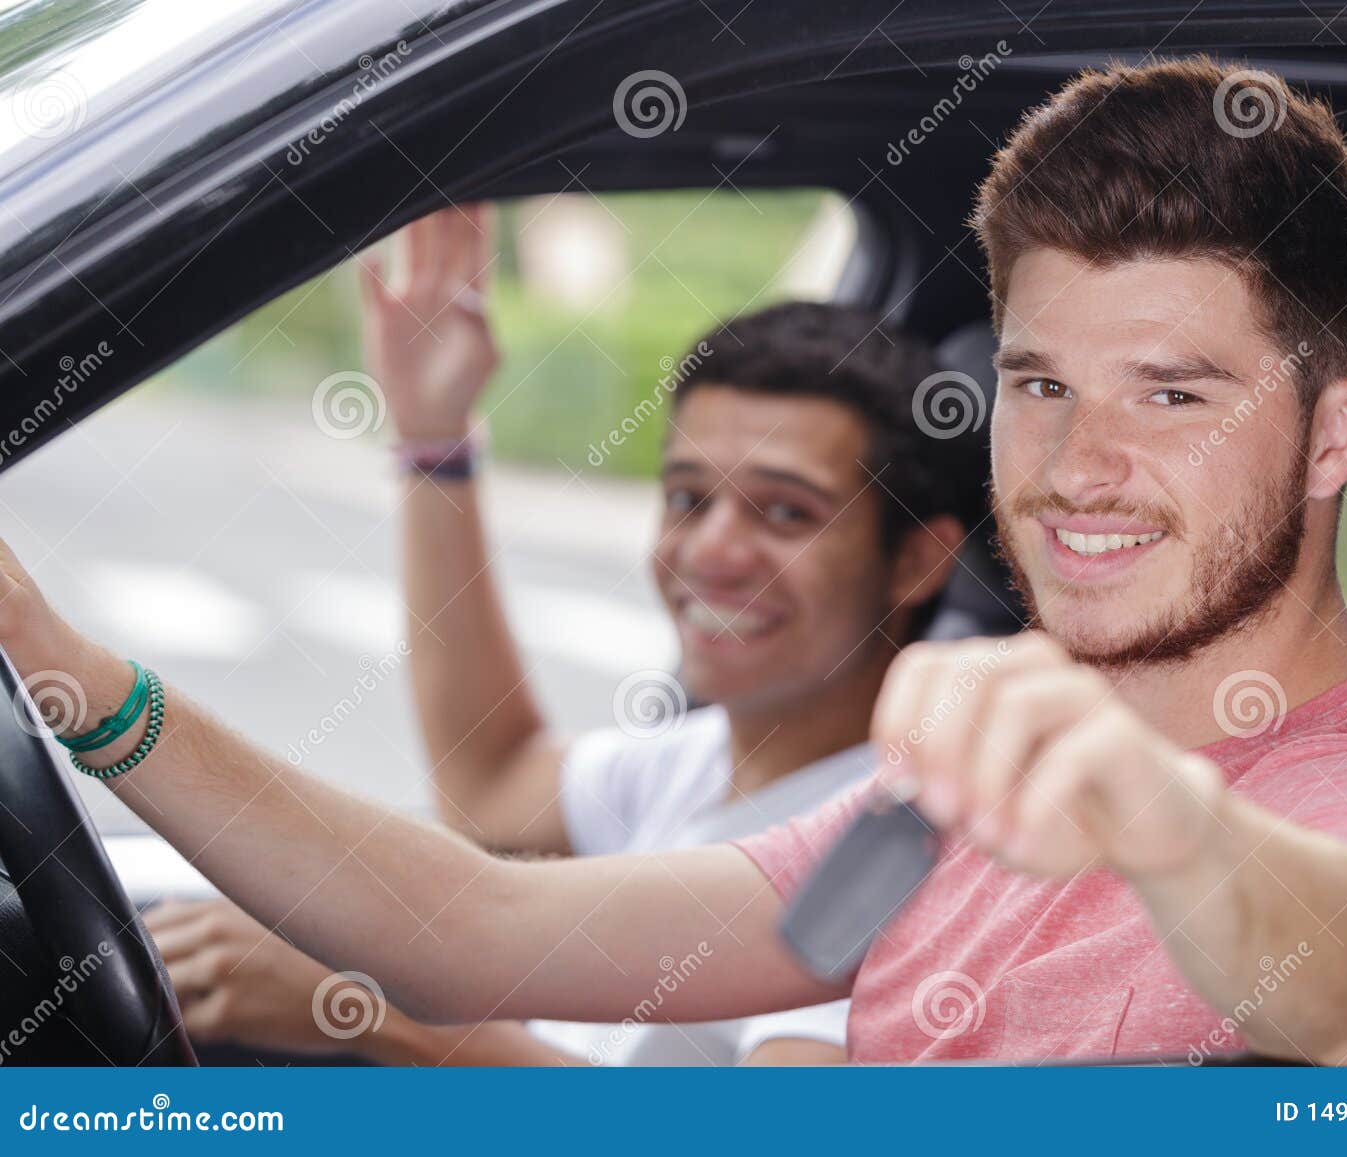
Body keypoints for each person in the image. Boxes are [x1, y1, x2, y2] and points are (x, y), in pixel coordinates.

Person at [0, 56, 1347, 1064]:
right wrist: (68, 672)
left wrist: (1159, 813)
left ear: (1334, 437)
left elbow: (1338, 989)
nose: (1075, 465)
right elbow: (477, 931)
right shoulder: (963, 787)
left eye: (1172, 396)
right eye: (1040, 384)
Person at [139, 210, 989, 1065]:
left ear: (918, 559)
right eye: (688, 497)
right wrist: (435, 439)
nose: (711, 551)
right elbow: (489, 777)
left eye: (785, 512)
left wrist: (385, 1017)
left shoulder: (901, 843)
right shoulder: (697, 758)